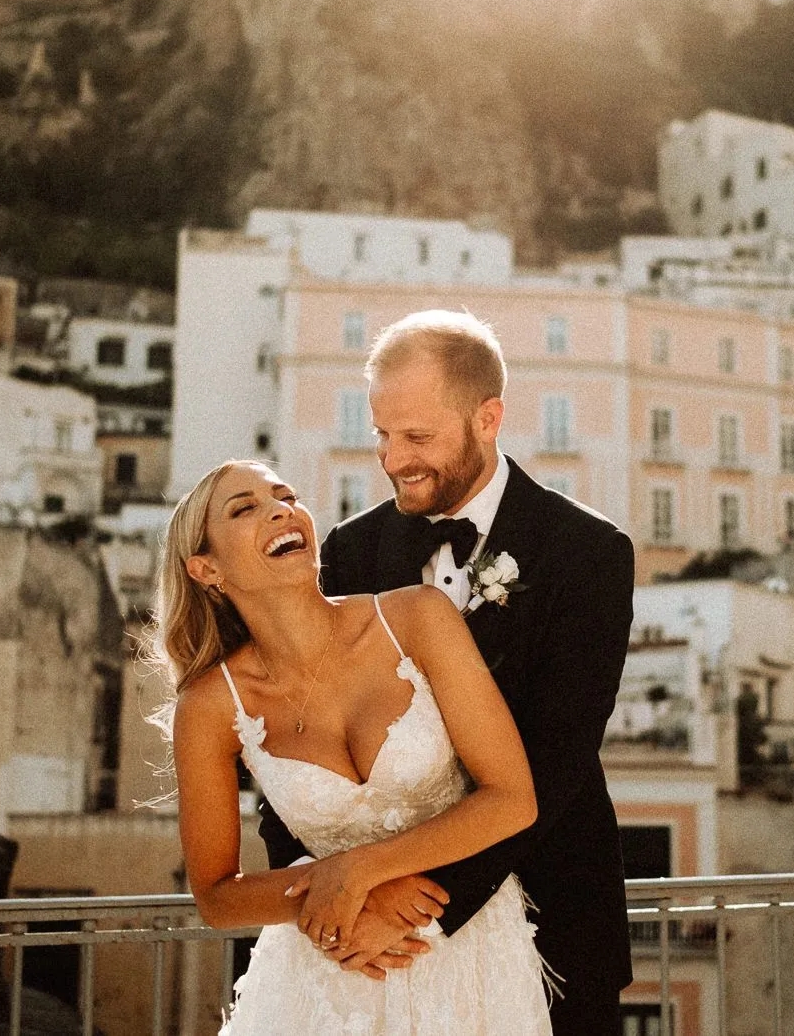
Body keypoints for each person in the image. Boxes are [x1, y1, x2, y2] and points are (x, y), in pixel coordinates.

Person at [259, 310, 636, 1034]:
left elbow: (555, 762)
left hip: (548, 923)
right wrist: (335, 899)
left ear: (488, 418)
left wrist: (419, 903)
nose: (393, 457)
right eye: (382, 433)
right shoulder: (352, 550)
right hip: (364, 945)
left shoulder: (589, 553)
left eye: (418, 437)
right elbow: (295, 731)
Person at [163, 459, 554, 1035]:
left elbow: (513, 798)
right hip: (329, 968)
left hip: (469, 955)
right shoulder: (208, 706)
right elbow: (218, 896)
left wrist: (360, 872)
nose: (280, 509)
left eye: (285, 494)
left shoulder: (418, 618)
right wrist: (345, 900)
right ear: (206, 568)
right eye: (243, 509)